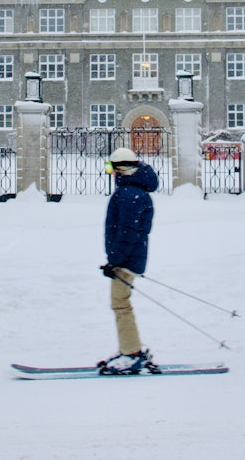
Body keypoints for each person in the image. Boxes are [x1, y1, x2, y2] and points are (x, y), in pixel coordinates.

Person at [98, 147, 159, 375]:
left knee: (121, 304)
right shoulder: (134, 191)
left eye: (111, 168)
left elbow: (127, 232)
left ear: (120, 168)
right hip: (129, 257)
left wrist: (115, 261)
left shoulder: (129, 194)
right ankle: (129, 349)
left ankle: (131, 354)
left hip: (126, 260)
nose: (110, 173)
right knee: (121, 303)